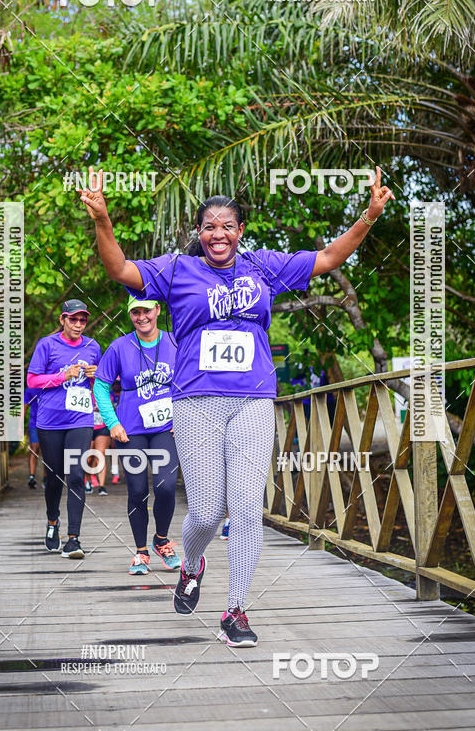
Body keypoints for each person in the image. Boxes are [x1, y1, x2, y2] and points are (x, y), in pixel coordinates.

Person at [80, 166, 393, 645]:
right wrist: (103, 219)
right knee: (206, 513)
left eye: (228, 225)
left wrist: (369, 216)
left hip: (252, 402)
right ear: (199, 234)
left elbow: (328, 257)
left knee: (246, 507)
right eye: (209, 226)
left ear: (240, 231)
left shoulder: (263, 266)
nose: (218, 233)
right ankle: (190, 566)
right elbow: (120, 269)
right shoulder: (177, 270)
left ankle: (236, 611)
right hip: (195, 402)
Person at [93, 295, 181, 575]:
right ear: (130, 315)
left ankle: (162, 540)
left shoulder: (175, 341)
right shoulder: (120, 347)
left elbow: (192, 380)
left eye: (146, 311)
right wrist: (112, 422)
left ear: (157, 310)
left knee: (166, 487)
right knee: (138, 491)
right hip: (130, 433)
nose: (141, 317)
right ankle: (141, 551)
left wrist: (183, 416)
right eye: (135, 312)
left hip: (166, 428)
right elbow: (101, 386)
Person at [27, 299, 101, 559]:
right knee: (55, 476)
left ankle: (74, 538)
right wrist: (62, 376)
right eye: (74, 319)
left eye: (83, 320)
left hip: (80, 420)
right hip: (50, 422)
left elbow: (99, 383)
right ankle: (52, 522)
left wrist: (95, 375)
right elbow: (32, 380)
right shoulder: (47, 345)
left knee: (77, 475)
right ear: (62, 319)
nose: (79, 324)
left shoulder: (93, 347)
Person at [23, 386, 41, 488]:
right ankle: (32, 477)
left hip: (49, 425)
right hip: (34, 424)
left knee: (48, 452)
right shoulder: (31, 388)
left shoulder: (52, 384)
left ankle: (46, 478)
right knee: (34, 450)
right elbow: (25, 406)